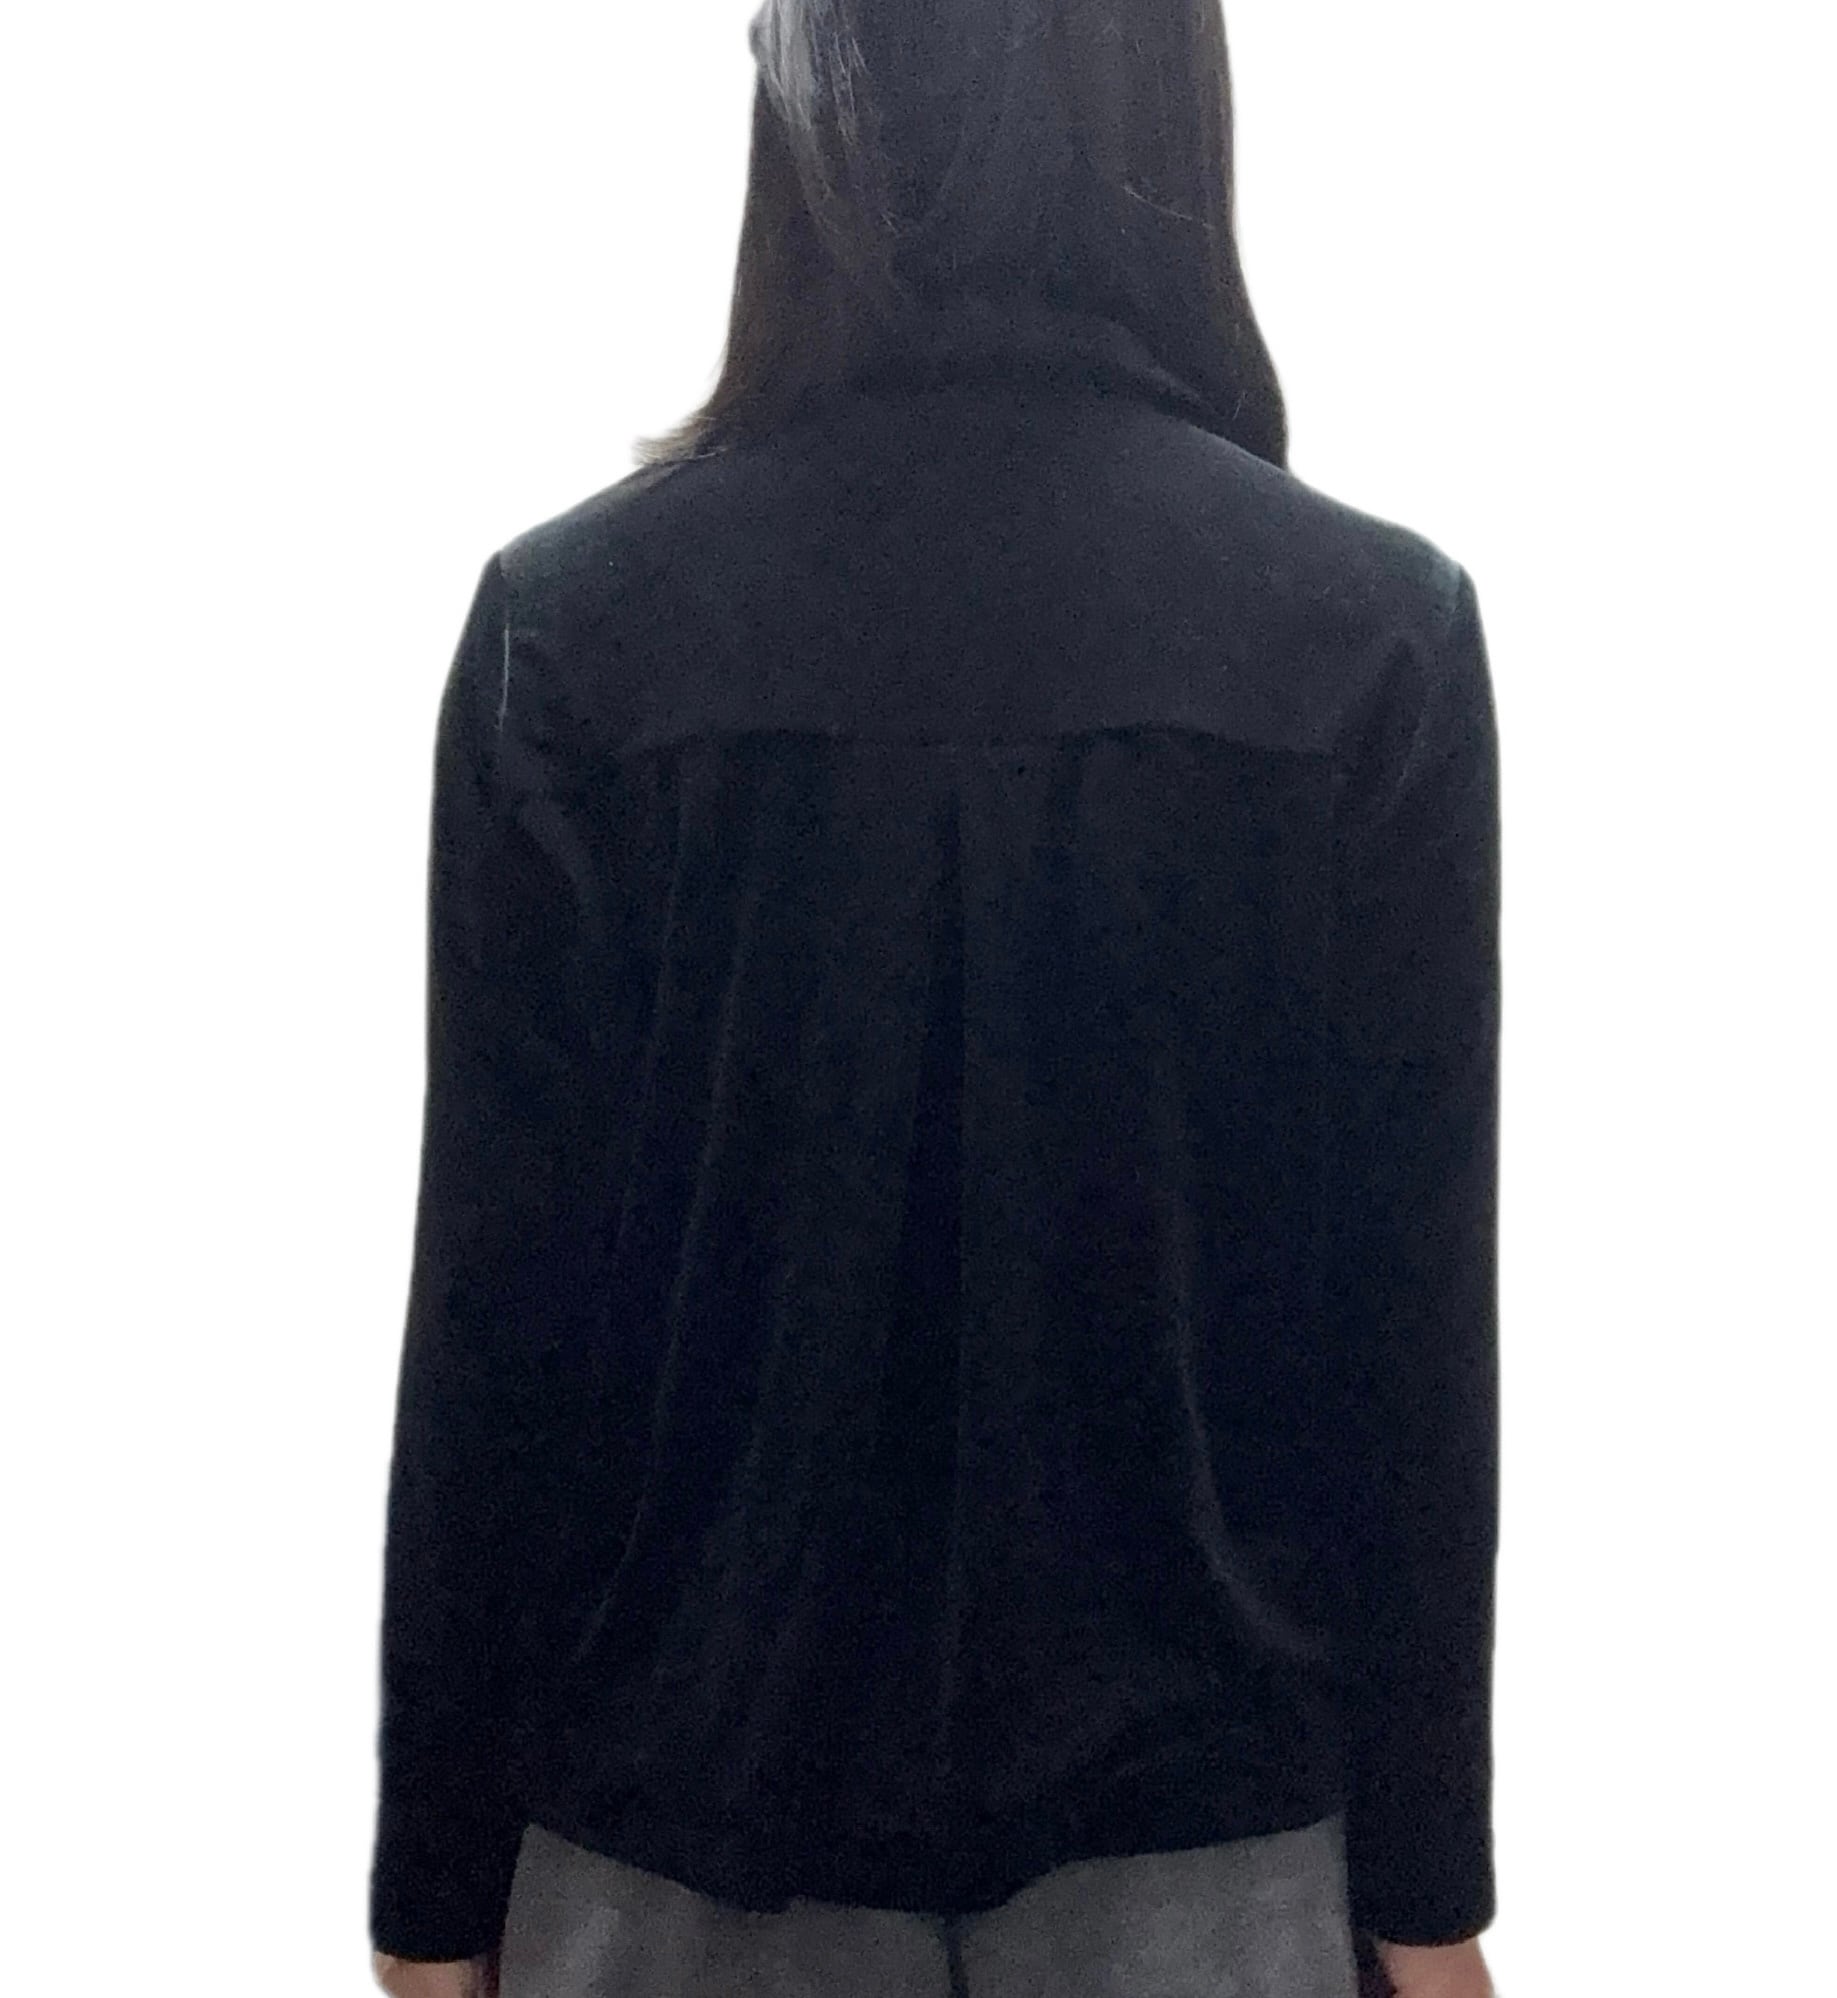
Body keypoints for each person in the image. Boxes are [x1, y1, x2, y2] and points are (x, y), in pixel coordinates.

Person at [367, 2, 1503, 1994]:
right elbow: (1403, 1339)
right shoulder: (1366, 641)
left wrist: (432, 1892)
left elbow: (501, 1312)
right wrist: (1428, 1890)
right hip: (1209, 1849)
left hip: (669, 1840)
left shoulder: (580, 636)